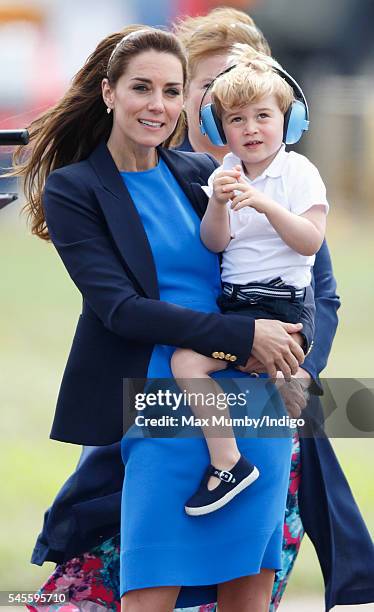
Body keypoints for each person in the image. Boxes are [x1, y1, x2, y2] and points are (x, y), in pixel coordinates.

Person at [25, 9, 374, 612]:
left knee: (248, 592)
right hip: (161, 401)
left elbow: (308, 281)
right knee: (150, 590)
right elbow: (122, 310)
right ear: (108, 93)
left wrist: (292, 371)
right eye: (141, 87)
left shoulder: (206, 172)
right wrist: (245, 337)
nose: (157, 104)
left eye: (168, 90)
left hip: (254, 404)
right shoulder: (76, 188)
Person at [171, 47, 328, 518]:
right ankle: (230, 460)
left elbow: (310, 242)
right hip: (238, 307)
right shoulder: (225, 173)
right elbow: (215, 243)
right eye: (237, 120)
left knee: (279, 398)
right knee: (189, 364)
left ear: (289, 120)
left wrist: (264, 204)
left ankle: (271, 474)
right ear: (221, 130)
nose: (251, 129)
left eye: (263, 116)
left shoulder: (298, 171)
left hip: (283, 305)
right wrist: (217, 204)